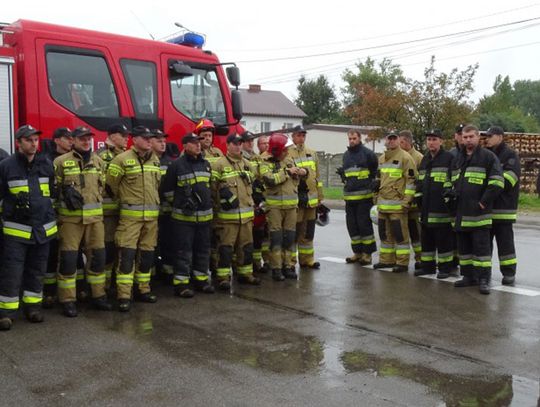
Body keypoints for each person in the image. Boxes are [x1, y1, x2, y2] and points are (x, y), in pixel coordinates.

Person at [0, 125, 57, 331]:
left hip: (42, 230)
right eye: (29, 140)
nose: (34, 143)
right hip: (16, 230)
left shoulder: (46, 164)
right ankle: (6, 313)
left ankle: (33, 308)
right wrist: (11, 207)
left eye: (35, 140)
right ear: (19, 143)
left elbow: (51, 193)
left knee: (37, 271)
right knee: (12, 273)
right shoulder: (6, 166)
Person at [54, 126, 111, 317]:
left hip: (95, 220)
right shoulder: (60, 162)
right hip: (70, 221)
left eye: (88, 139)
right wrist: (65, 192)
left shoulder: (99, 161)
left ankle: (98, 296)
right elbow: (53, 191)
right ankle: (68, 301)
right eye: (82, 139)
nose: (86, 142)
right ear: (73, 141)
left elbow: (101, 188)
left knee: (97, 260)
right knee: (69, 261)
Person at [106, 126, 161, 311]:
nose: (149, 141)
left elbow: (157, 186)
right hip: (130, 220)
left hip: (151, 220)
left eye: (150, 138)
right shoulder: (121, 160)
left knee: (146, 257)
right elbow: (110, 187)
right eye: (145, 138)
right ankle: (123, 295)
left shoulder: (155, 160)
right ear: (134, 140)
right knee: (126, 257)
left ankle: (143, 290)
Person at [450, 124, 503, 294]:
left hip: (480, 214)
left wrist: (483, 202)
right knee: (464, 250)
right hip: (461, 213)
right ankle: (468, 276)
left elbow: (497, 182)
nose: (468, 140)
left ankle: (484, 279)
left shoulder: (488, 157)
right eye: (465, 137)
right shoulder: (458, 158)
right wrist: (449, 196)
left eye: (471, 136)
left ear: (478, 137)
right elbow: (450, 180)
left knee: (482, 251)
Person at [161, 133, 215, 298]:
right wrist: (179, 203)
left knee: (203, 250)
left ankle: (201, 280)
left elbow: (209, 188)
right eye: (193, 143)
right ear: (185, 146)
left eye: (198, 142)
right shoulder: (176, 165)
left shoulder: (206, 164)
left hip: (205, 219)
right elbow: (167, 190)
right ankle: (182, 284)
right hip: (183, 220)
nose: (198, 145)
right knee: (183, 252)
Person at [212, 134, 261, 288]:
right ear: (227, 145)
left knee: (246, 247)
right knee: (226, 248)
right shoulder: (218, 165)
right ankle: (223, 277)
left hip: (246, 218)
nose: (238, 146)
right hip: (227, 219)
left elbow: (253, 185)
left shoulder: (248, 164)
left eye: (240, 143)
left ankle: (245, 274)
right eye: (234, 143)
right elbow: (212, 191)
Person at [259, 133, 306, 281]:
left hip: (291, 206)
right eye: (284, 149)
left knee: (290, 238)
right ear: (278, 149)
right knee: (276, 239)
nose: (287, 152)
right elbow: (269, 180)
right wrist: (286, 172)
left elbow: (299, 172)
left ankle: (288, 266)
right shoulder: (265, 162)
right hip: (275, 209)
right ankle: (276, 268)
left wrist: (303, 172)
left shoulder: (289, 160)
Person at [414, 129, 455, 279]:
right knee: (427, 241)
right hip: (425, 209)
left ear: (441, 141)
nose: (431, 142)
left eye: (434, 139)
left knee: (444, 242)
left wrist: (448, 199)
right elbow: (420, 182)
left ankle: (445, 268)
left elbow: (452, 179)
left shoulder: (449, 158)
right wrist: (418, 199)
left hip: (441, 209)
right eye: (429, 139)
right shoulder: (425, 159)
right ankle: (428, 267)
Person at [373, 131, 417, 273]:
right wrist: (376, 198)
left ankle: (402, 263)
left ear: (398, 140)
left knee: (400, 236)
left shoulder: (406, 158)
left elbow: (411, 182)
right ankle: (386, 260)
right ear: (386, 141)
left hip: (398, 206)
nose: (391, 141)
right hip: (382, 205)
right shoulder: (381, 158)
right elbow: (379, 180)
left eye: (394, 139)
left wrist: (406, 202)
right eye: (389, 139)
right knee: (384, 235)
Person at [42, 127, 74, 307]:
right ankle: (49, 292)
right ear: (56, 140)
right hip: (52, 215)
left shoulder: (73, 159)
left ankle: (77, 289)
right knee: (52, 254)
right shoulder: (47, 161)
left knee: (72, 255)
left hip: (70, 216)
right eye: (66, 138)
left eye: (71, 138)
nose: (70, 141)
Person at [484, 126, 520, 285]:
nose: (487, 139)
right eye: (487, 136)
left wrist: (490, 185)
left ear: (500, 137)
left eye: (490, 136)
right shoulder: (487, 155)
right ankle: (485, 274)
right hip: (488, 208)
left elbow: (510, 180)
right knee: (485, 246)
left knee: (506, 245)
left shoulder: (510, 155)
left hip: (504, 209)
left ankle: (509, 273)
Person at [337, 129, 378, 264]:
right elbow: (349, 175)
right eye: (350, 138)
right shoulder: (346, 155)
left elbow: (373, 172)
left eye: (354, 138)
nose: (352, 141)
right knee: (352, 226)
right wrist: (343, 176)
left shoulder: (368, 154)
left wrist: (370, 185)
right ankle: (357, 252)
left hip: (364, 198)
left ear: (360, 138)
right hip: (349, 198)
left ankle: (367, 254)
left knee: (364, 226)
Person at [95, 123, 129, 290]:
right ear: (113, 136)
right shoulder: (101, 156)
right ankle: (105, 286)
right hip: (107, 212)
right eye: (123, 135)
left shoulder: (125, 155)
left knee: (121, 248)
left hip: (123, 211)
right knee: (107, 249)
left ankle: (115, 283)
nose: (126, 138)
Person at [287, 125, 324, 270]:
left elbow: (318, 177)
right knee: (294, 232)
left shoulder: (312, 153)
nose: (301, 138)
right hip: (296, 200)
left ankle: (307, 260)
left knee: (308, 232)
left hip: (312, 201)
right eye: (298, 135)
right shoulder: (288, 154)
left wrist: (320, 196)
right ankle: (290, 262)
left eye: (303, 135)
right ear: (293, 136)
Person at [150, 129, 177, 282]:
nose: (163, 143)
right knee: (151, 246)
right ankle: (151, 275)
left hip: (167, 214)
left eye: (164, 141)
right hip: (150, 213)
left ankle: (168, 273)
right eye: (159, 140)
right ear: (150, 142)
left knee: (168, 243)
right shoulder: (147, 161)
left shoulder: (170, 162)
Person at [399, 130, 423, 269]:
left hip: (413, 205)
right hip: (400, 203)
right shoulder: (399, 156)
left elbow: (419, 181)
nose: (399, 144)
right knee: (401, 233)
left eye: (401, 142)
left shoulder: (418, 157)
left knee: (416, 233)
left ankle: (420, 258)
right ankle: (402, 260)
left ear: (408, 142)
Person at [256, 135, 271, 271]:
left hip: (271, 201)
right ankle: (258, 261)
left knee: (268, 234)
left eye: (268, 143)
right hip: (261, 201)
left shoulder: (272, 159)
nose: (266, 145)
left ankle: (268, 260)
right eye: (263, 143)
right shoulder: (256, 160)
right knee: (260, 233)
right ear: (258, 146)